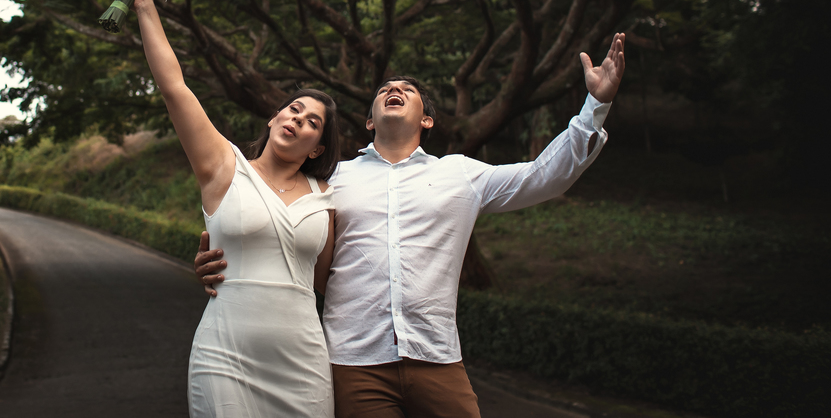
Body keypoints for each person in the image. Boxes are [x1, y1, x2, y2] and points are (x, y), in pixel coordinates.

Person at [196, 34, 627, 418]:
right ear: (369, 121)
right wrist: (221, 258)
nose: (395, 90)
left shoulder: (461, 174)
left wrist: (596, 107)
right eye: (385, 89)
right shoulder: (330, 181)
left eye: (407, 90)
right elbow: (265, 221)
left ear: (427, 120)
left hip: (437, 358)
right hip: (353, 363)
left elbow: (543, 176)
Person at [126, 0, 343, 418]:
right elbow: (174, 87)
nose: (298, 120)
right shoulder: (223, 168)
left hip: (303, 362)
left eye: (312, 122)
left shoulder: (329, 198)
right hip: (225, 355)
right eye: (293, 109)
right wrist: (147, 6)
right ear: (273, 117)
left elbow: (327, 284)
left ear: (317, 147)